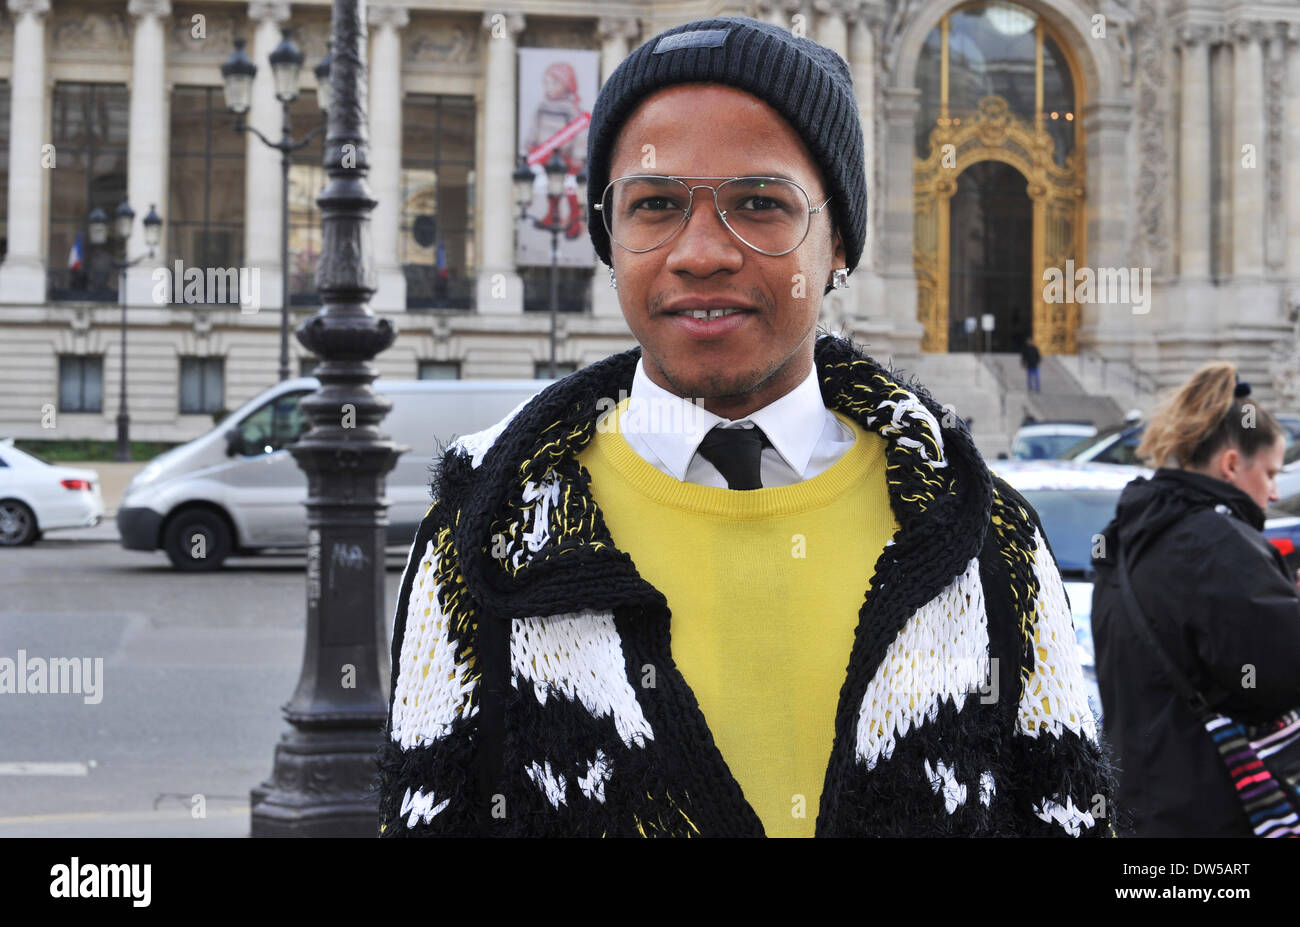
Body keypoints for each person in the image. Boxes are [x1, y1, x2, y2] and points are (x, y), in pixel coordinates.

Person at [377, 15, 1111, 837]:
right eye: (654, 204)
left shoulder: (990, 538)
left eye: (759, 204)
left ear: (840, 244)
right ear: (609, 240)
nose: (701, 252)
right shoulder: (480, 537)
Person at [1091, 361, 1300, 836]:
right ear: (1231, 464)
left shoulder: (1124, 535)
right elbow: (1276, 677)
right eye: (1269, 474)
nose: (1271, 494)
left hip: (1138, 805)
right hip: (1214, 808)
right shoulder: (1219, 543)